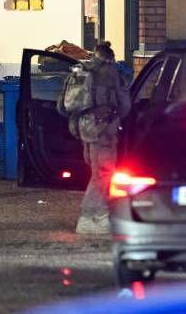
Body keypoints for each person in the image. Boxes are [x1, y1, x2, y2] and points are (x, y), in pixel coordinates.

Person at [58, 41, 129, 234]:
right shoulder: (111, 72)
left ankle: (97, 217)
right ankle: (90, 218)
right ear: (110, 57)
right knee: (103, 174)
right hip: (103, 129)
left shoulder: (79, 71)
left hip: (85, 129)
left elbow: (62, 107)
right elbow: (125, 104)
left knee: (96, 172)